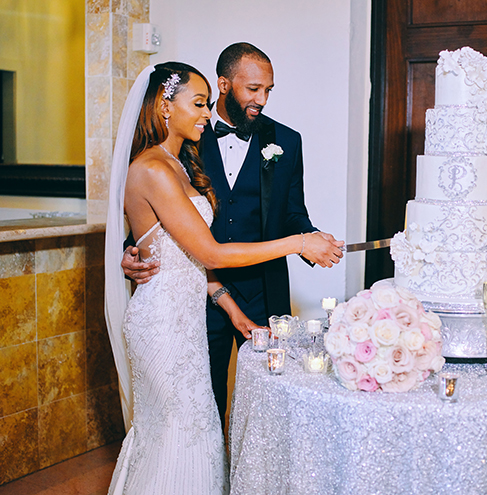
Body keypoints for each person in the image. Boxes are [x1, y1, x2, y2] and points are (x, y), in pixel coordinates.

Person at [104, 62, 342, 495]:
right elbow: (195, 246)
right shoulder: (171, 157)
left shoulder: (192, 158)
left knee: (207, 428)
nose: (262, 99)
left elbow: (189, 245)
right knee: (183, 427)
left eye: (269, 90)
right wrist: (130, 250)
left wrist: (309, 243)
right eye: (253, 88)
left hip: (231, 298)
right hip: (170, 318)